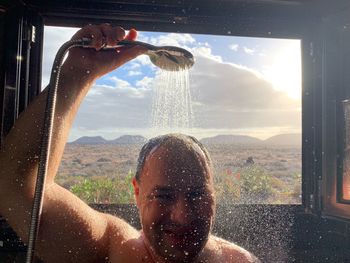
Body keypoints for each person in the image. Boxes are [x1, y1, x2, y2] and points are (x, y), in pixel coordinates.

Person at [0, 24, 260, 263]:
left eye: (197, 195)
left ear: (215, 194)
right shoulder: (112, 250)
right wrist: (78, 72)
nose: (182, 216)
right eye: (163, 196)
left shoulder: (238, 261)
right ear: (137, 192)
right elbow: (17, 184)